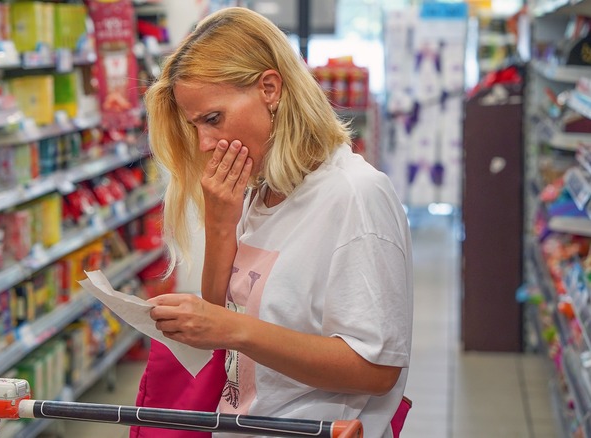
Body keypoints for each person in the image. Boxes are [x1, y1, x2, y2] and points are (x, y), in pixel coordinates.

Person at [142, 7, 413, 438]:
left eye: (212, 119)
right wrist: (219, 224)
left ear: (270, 88)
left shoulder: (355, 196)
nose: (205, 144)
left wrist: (236, 330)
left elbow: (376, 369)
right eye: (194, 126)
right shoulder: (262, 188)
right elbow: (220, 319)